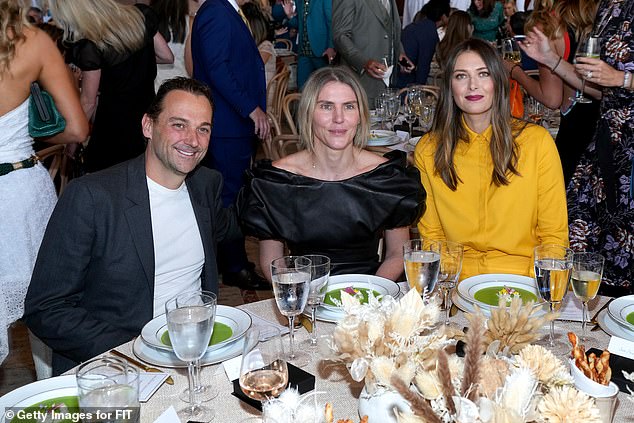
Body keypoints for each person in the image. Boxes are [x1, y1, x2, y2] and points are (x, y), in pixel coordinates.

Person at [24, 77, 241, 375]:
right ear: (148, 126)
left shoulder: (205, 186)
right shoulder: (92, 197)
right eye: (179, 125)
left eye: (203, 129)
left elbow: (239, 225)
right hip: (116, 364)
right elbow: (45, 308)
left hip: (195, 355)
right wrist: (134, 350)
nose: (192, 140)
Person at [238, 67, 426, 280]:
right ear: (308, 112)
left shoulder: (386, 177)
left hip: (370, 293)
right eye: (327, 107)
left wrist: (369, 295)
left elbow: (395, 254)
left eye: (348, 107)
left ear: (360, 115)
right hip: (304, 292)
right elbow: (273, 262)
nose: (339, 118)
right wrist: (302, 296)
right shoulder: (277, 180)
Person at [415, 39, 568, 280]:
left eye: (483, 74)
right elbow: (432, 236)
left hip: (523, 282)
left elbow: (554, 236)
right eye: (461, 76)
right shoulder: (429, 149)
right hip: (457, 281)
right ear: (450, 86)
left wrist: (535, 288)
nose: (472, 86)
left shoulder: (536, 143)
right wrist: (452, 284)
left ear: (498, 81)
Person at [519, 0, 633, 295]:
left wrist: (624, 78)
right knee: (587, 248)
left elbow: (615, 81)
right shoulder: (609, 7)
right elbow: (599, 88)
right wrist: (550, 58)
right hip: (607, 146)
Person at [0, 0, 88, 369]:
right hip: (21, 190)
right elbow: (78, 129)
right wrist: (29, 140)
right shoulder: (32, 42)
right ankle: (52, 395)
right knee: (47, 306)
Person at [192, 0, 271, 290]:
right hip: (227, 123)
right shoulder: (216, 10)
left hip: (231, 123)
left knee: (230, 195)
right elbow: (217, 69)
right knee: (229, 197)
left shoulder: (225, 11)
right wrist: (251, 108)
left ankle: (233, 263)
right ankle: (234, 267)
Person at [51, 0, 174, 173]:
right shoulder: (140, 17)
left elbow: (88, 103)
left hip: (113, 130)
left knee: (108, 188)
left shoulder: (90, 46)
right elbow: (167, 57)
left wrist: (72, 143)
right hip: (148, 119)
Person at [507, 0, 600, 184]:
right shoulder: (597, 16)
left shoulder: (547, 24)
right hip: (606, 127)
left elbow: (551, 98)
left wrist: (514, 72)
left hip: (574, 131)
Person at [332, 0, 414, 105]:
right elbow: (340, 36)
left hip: (387, 83)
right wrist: (363, 62)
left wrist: (399, 53)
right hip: (361, 82)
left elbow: (389, 30)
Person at [280, 0, 336, 89]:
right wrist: (289, 15)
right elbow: (300, 23)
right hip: (303, 52)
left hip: (322, 51)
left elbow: (331, 22)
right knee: (302, 88)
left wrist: (331, 46)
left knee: (324, 87)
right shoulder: (299, 1)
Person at [397, 0, 451, 87]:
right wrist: (420, 91)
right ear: (444, 17)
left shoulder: (413, 26)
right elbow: (423, 67)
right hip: (405, 81)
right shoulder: (429, 32)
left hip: (396, 75)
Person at [151, 0, 199, 90]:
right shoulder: (190, 22)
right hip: (180, 86)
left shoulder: (147, 21)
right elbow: (190, 68)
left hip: (154, 86)